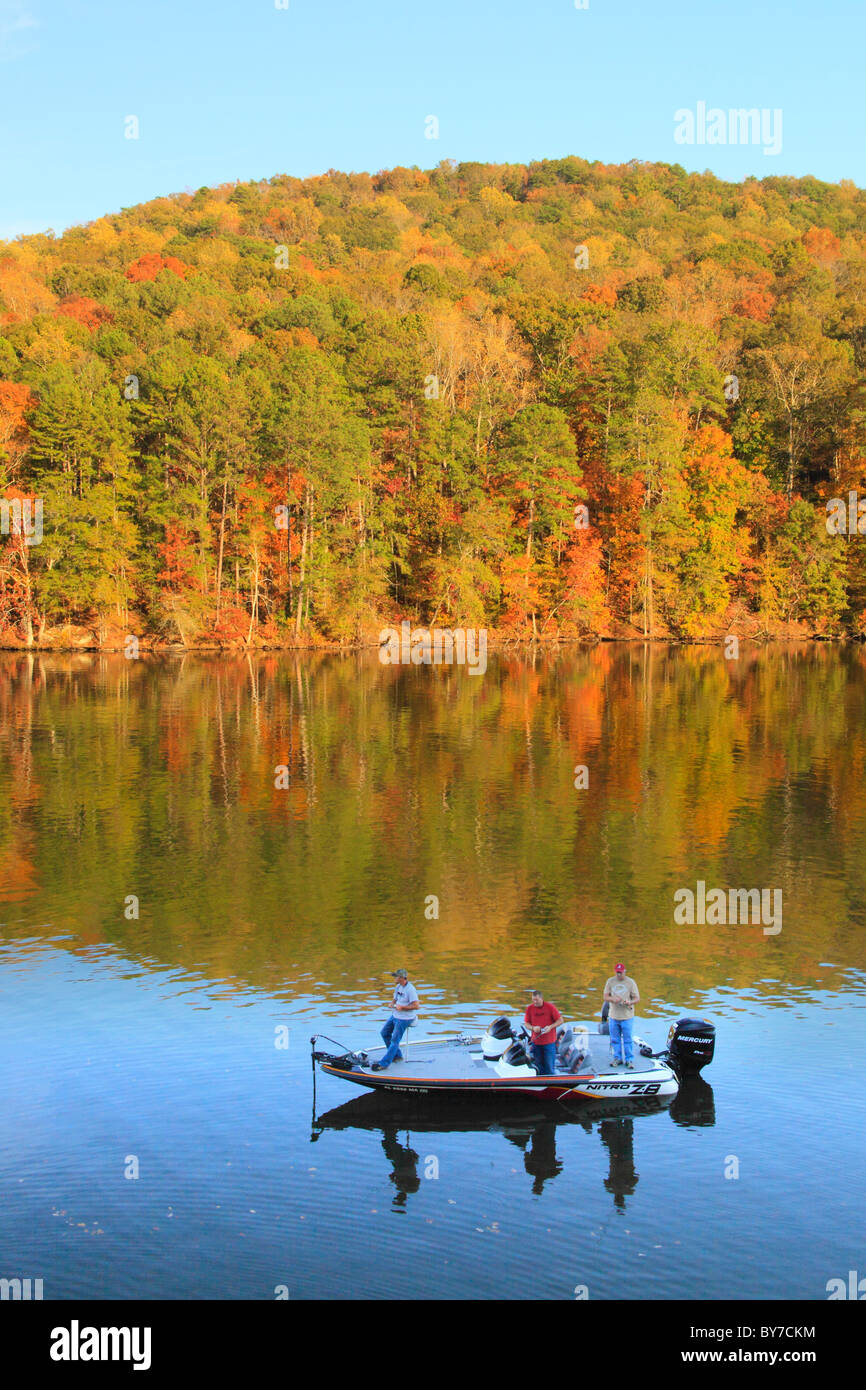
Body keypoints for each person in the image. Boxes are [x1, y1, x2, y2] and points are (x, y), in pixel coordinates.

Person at [371, 969, 419, 1070]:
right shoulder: (398, 986)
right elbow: (395, 999)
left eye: (396, 977)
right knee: (384, 1033)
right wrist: (392, 1003)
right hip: (396, 1015)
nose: (394, 978)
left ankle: (384, 1064)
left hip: (405, 1018)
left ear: (401, 978)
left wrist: (402, 1008)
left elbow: (416, 1006)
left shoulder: (410, 989)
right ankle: (397, 1056)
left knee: (394, 1040)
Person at [603, 962, 640, 1068]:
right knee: (615, 1039)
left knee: (628, 1039)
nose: (619, 974)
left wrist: (629, 1002)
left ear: (624, 971)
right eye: (617, 972)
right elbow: (605, 997)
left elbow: (637, 998)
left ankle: (629, 1059)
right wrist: (613, 999)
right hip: (613, 1016)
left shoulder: (630, 982)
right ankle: (617, 1058)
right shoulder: (610, 981)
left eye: (621, 972)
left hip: (627, 1016)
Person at [523, 989, 563, 1075]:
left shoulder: (550, 1007)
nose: (535, 1002)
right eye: (533, 1000)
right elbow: (526, 1024)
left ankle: (552, 1084)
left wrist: (550, 1027)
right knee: (537, 1067)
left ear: (541, 999)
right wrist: (533, 1028)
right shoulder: (530, 1008)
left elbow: (560, 1020)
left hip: (549, 1043)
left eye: (536, 1000)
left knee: (549, 1068)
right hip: (536, 1043)